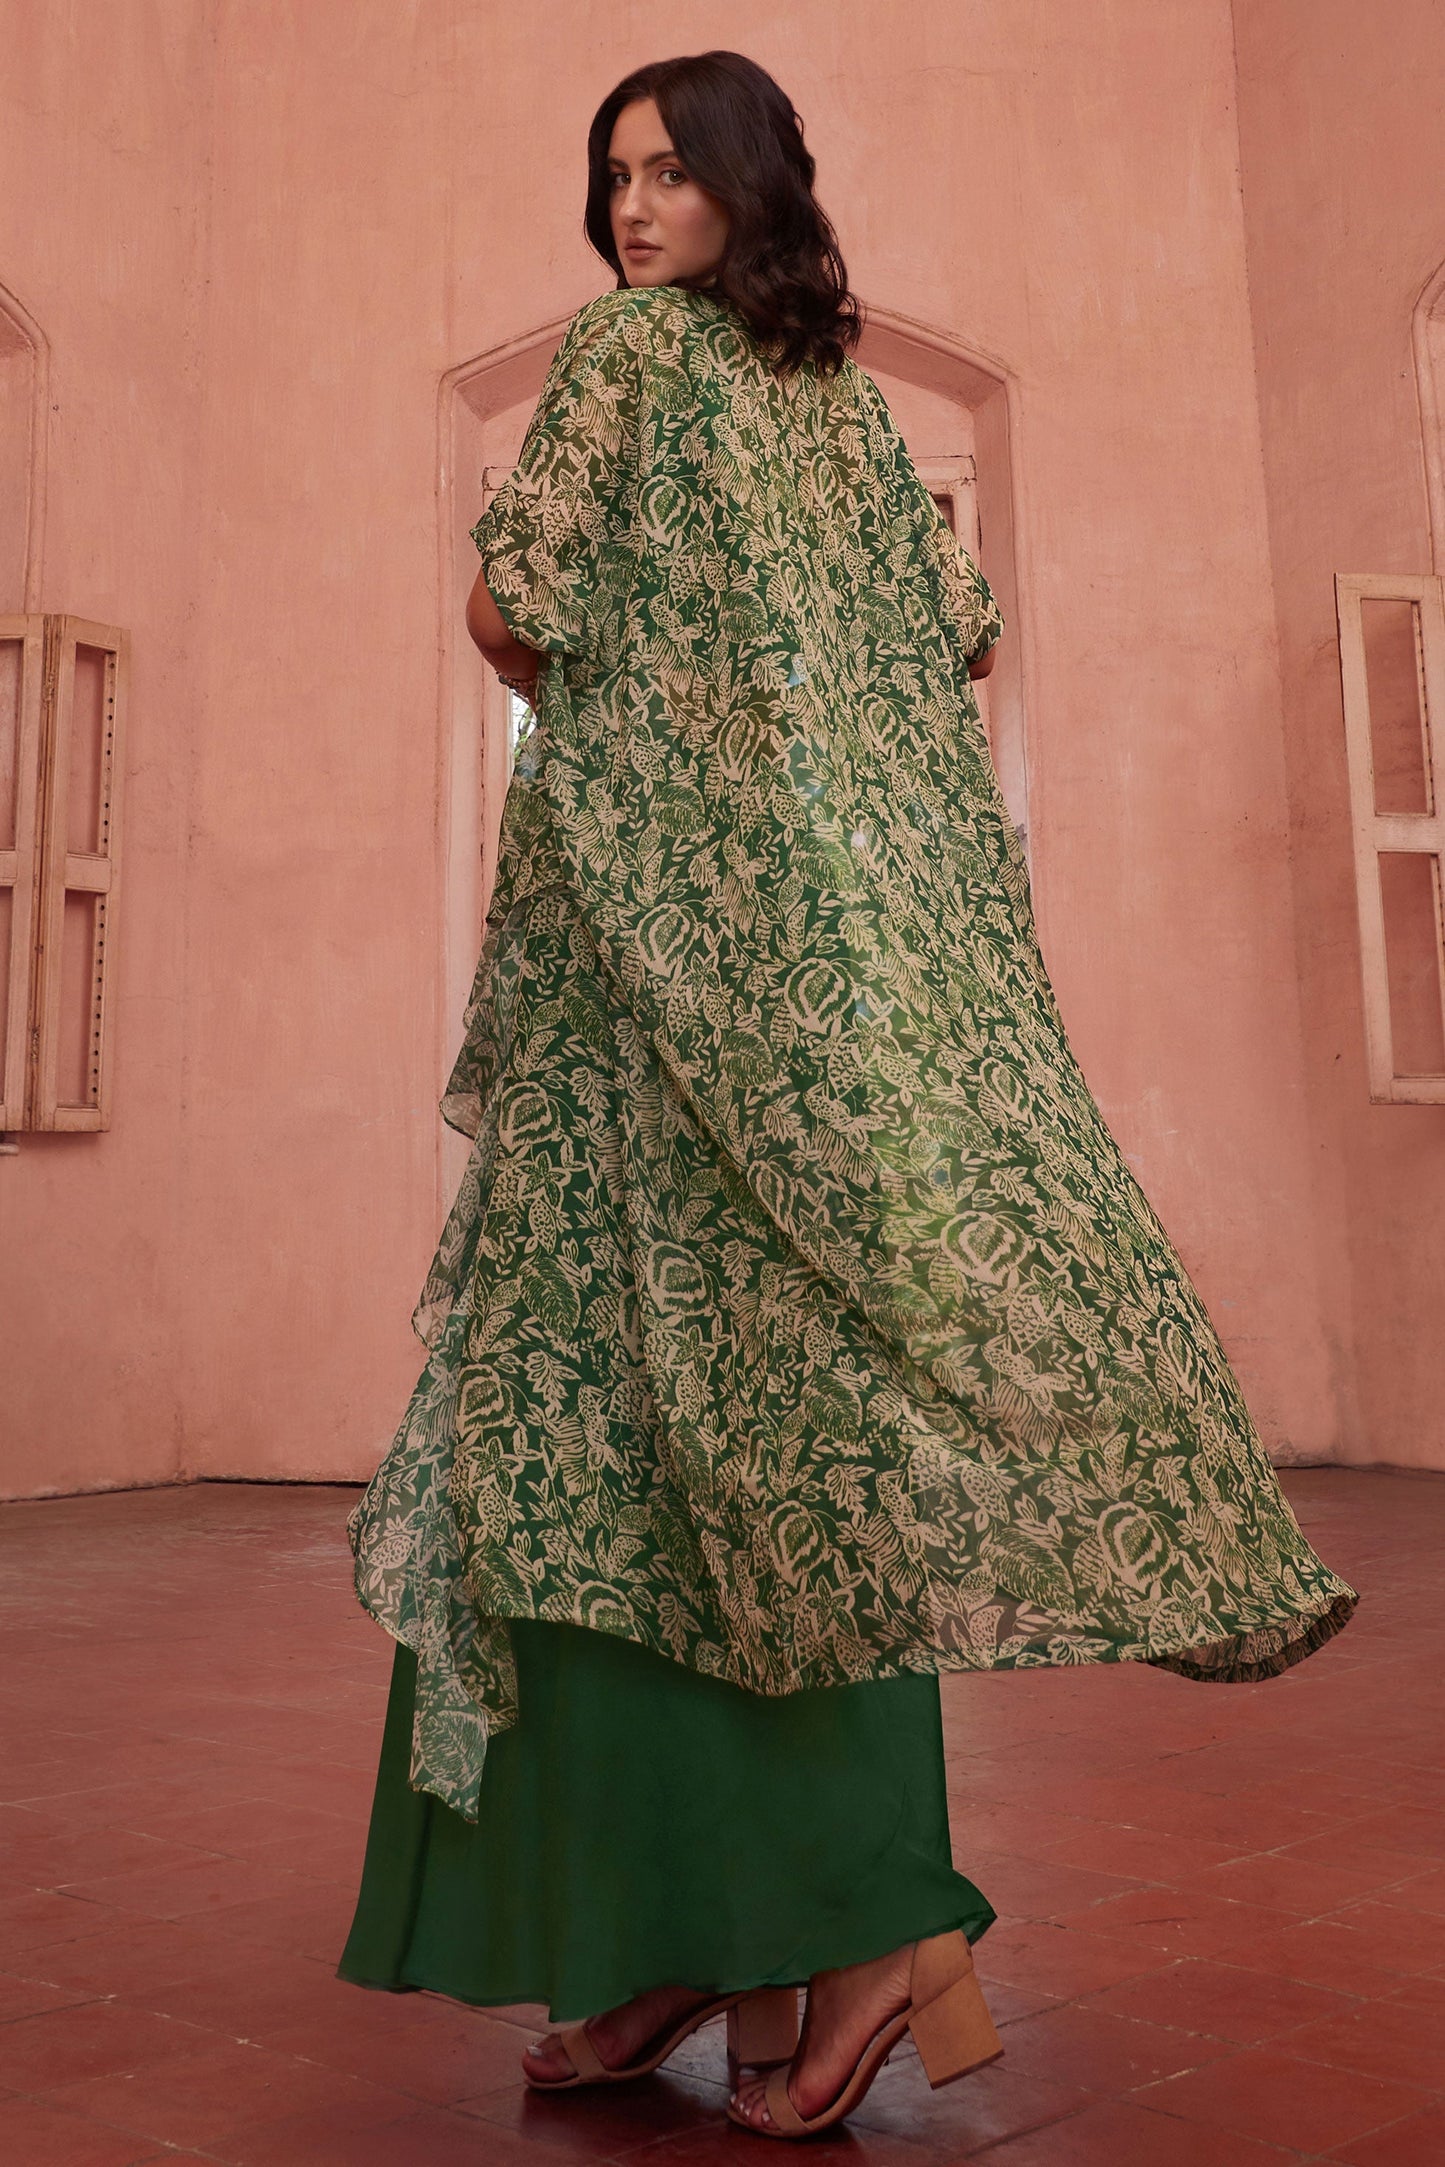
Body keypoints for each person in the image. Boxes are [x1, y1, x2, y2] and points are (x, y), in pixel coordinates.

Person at [339, 49, 1357, 2141]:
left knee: (604, 1447)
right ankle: (733, 1939)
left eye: (667, 174)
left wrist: (648, 740)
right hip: (829, 1015)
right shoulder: (849, 411)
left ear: (746, 184)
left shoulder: (627, 362)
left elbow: (511, 608)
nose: (632, 213)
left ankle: (800, 1932)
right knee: (804, 1463)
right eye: (612, 178)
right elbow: (946, 645)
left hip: (646, 1019)